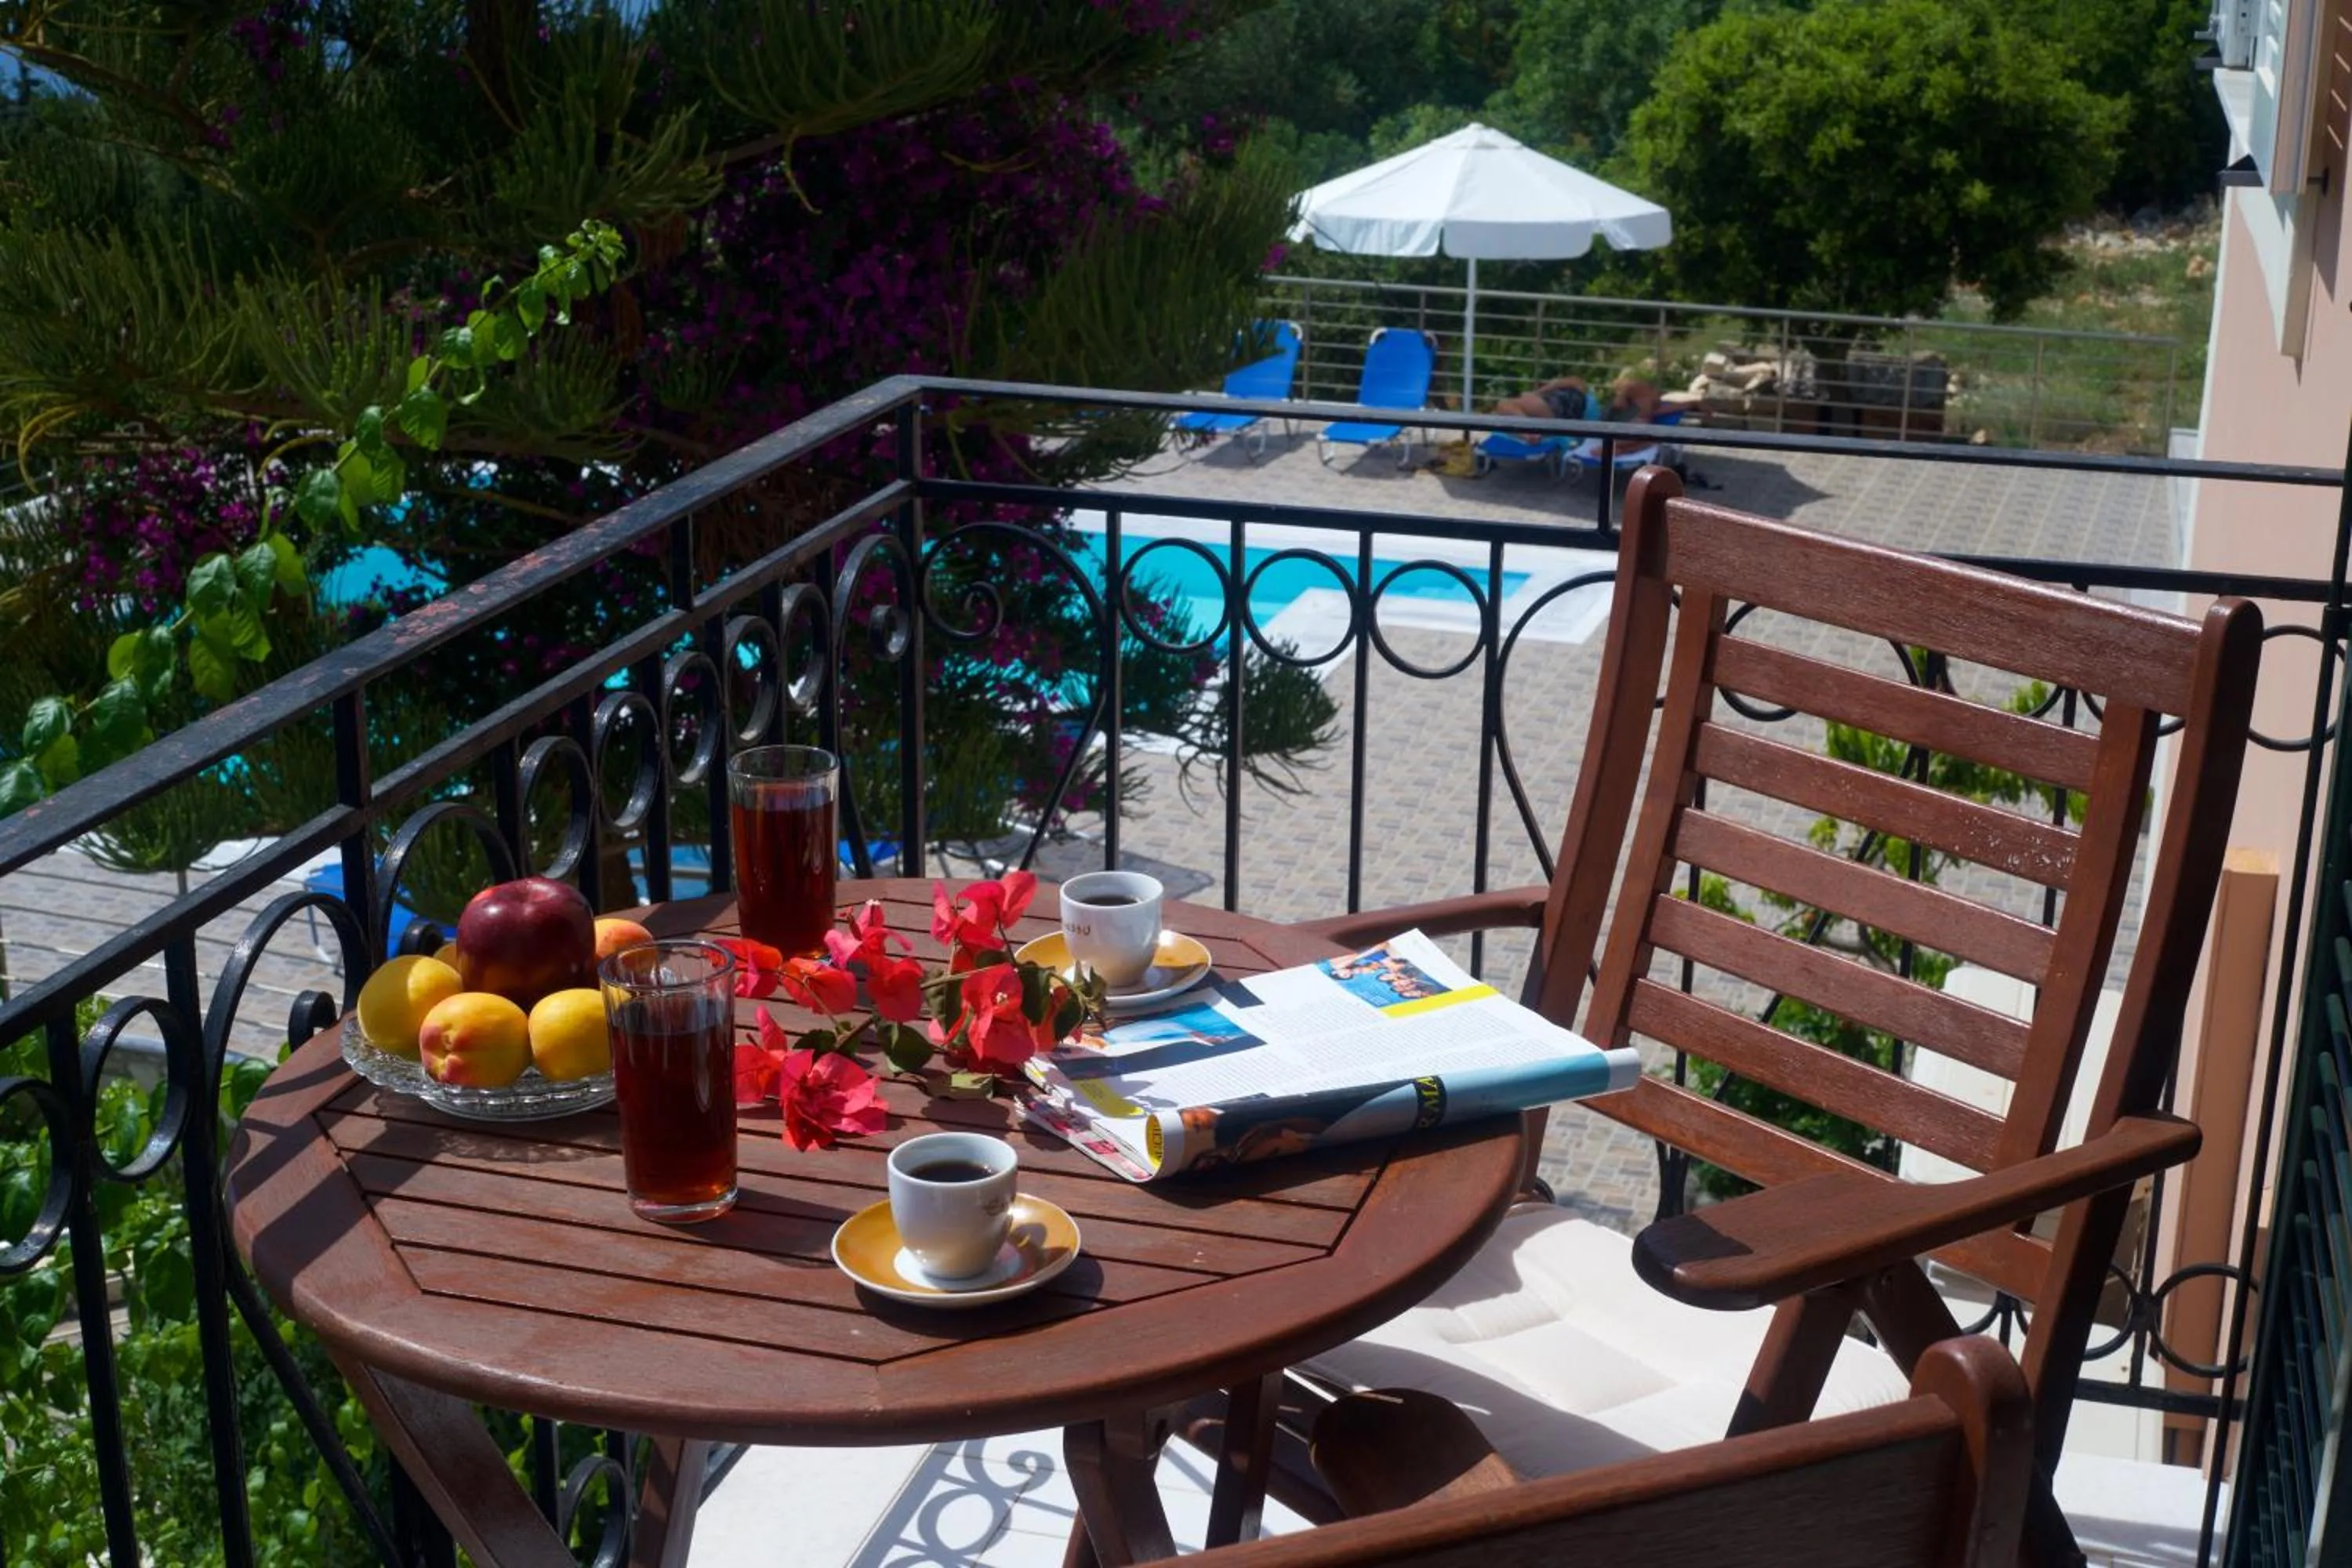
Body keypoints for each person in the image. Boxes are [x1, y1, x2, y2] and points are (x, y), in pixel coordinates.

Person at [1490, 375, 1661, 424]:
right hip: (1562, 409)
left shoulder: (1635, 402)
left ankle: (1528, 432)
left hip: (1562, 410)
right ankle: (1529, 431)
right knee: (1505, 406)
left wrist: (1538, 392)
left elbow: (1558, 383)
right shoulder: (1585, 392)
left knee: (1504, 405)